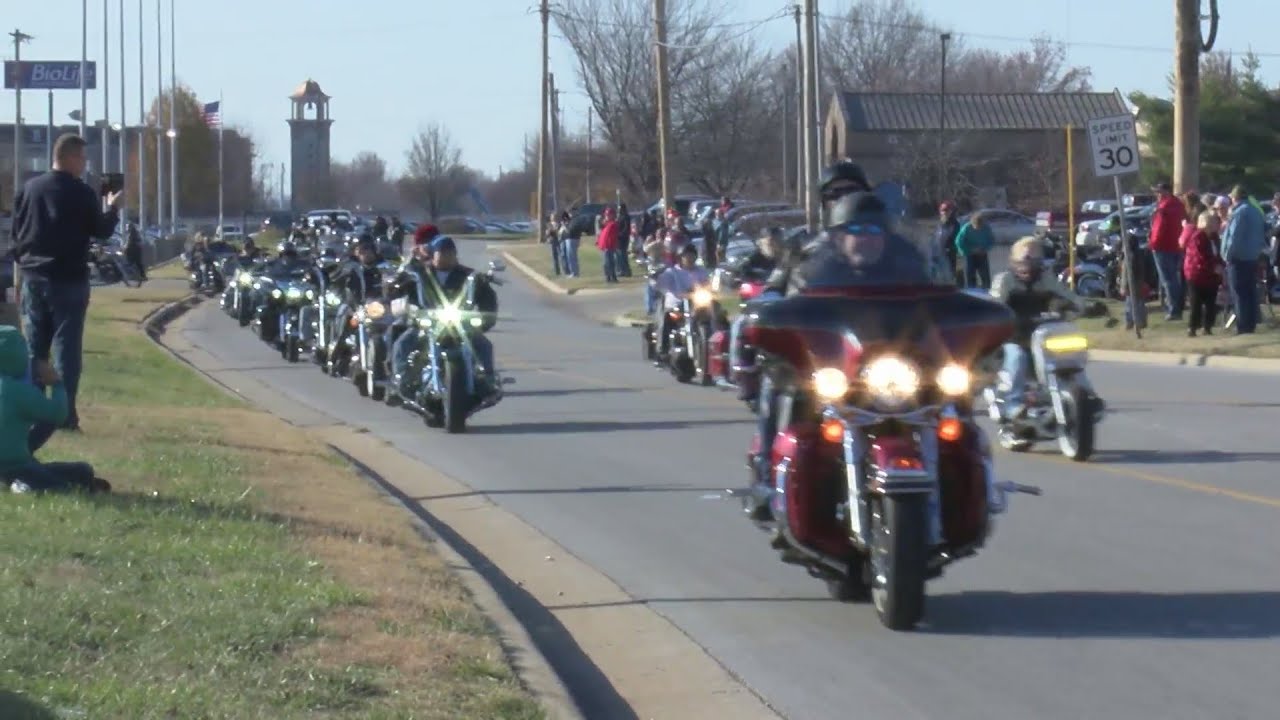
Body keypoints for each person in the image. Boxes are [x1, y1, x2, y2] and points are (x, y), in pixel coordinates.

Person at [11, 133, 122, 445]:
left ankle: (32, 410)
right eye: (83, 159)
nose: (84, 165)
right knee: (66, 349)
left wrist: (25, 267)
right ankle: (65, 414)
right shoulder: (82, 193)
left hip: (34, 277)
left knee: (34, 348)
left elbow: (16, 238)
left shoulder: (29, 190)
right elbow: (100, 232)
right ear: (71, 157)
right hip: (69, 279)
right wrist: (112, 208)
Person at [0, 327, 107, 494]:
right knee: (64, 483)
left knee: (79, 472)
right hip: (13, 465)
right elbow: (58, 413)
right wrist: (56, 384)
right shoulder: (17, 392)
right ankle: (22, 485)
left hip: (17, 462)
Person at [990, 236, 1085, 420]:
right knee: (1017, 357)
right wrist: (1007, 317)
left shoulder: (1046, 278)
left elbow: (1069, 296)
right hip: (1014, 337)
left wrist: (1085, 306)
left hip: (1043, 335)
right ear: (1013, 261)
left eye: (1032, 260)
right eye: (1022, 261)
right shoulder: (1004, 280)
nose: (1026, 266)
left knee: (1070, 354)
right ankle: (1014, 404)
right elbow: (994, 307)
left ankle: (1085, 393)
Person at [423, 237, 500, 392]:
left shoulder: (468, 275)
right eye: (442, 253)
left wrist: (485, 319)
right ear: (433, 255)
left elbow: (487, 298)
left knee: (484, 345)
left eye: (450, 253)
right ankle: (399, 380)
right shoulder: (420, 273)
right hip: (427, 324)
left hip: (459, 324)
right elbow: (399, 287)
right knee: (404, 342)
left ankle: (489, 380)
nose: (446, 256)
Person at [1220, 184, 1267, 335]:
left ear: (1235, 198)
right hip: (1252, 257)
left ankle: (1243, 325)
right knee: (1250, 291)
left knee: (1239, 292)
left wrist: (1227, 255)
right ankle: (1251, 322)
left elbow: (1234, 236)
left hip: (1238, 257)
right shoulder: (1256, 211)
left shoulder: (1239, 213)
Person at [650, 243, 711, 357]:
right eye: (686, 255)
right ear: (680, 257)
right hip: (677, 305)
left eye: (692, 255)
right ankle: (662, 349)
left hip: (698, 304)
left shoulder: (702, 271)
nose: (689, 258)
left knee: (719, 314)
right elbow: (658, 284)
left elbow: (708, 285)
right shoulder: (672, 272)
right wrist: (655, 276)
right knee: (666, 318)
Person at [1148, 181, 1187, 321]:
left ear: (1166, 192)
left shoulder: (1164, 208)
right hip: (1176, 245)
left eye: (1158, 192)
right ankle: (1174, 306)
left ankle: (1173, 309)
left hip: (1163, 247)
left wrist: (1152, 243)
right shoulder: (1180, 205)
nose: (1157, 195)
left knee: (1168, 279)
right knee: (1174, 278)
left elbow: (1158, 229)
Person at [1184, 210, 1224, 337]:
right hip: (1196, 274)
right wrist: (1214, 266)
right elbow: (1199, 257)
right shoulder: (1197, 237)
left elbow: (1218, 254)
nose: (1216, 224)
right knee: (1196, 302)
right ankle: (1192, 327)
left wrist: (1221, 265)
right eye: (1213, 221)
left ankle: (1208, 327)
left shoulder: (1214, 238)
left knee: (1211, 302)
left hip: (1211, 276)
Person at [954, 211, 994, 289]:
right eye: (976, 227)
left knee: (985, 275)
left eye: (980, 227)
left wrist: (985, 249)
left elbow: (991, 241)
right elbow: (958, 242)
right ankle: (972, 290)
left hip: (982, 253)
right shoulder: (966, 228)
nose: (978, 228)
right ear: (972, 223)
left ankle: (987, 290)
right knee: (970, 274)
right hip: (969, 254)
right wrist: (966, 251)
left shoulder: (986, 228)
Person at [936, 201, 961, 284]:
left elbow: (956, 237)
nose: (945, 213)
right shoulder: (940, 224)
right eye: (943, 211)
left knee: (950, 270)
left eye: (947, 210)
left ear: (951, 212)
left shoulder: (955, 224)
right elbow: (938, 236)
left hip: (950, 251)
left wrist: (950, 247)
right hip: (939, 251)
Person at [596, 207, 621, 283]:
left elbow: (613, 236)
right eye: (606, 215)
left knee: (610, 262)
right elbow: (601, 232)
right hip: (605, 245)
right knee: (606, 263)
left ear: (613, 215)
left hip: (609, 245)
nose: (607, 216)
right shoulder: (606, 224)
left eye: (609, 215)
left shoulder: (613, 224)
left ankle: (612, 277)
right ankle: (608, 277)